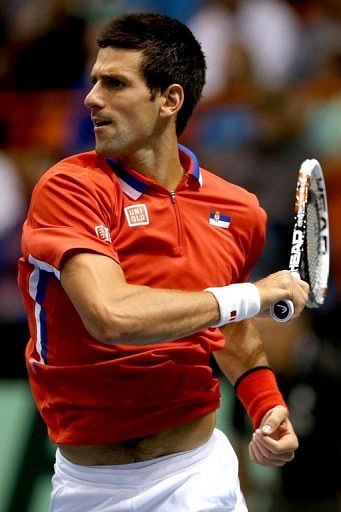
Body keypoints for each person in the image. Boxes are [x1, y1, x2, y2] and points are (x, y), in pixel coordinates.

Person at [17, 12, 309, 512]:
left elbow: (226, 325)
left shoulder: (239, 212)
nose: (91, 98)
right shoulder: (69, 187)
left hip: (197, 476)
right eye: (93, 82)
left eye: (115, 84)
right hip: (89, 486)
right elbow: (112, 316)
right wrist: (252, 295)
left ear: (169, 100)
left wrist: (266, 404)